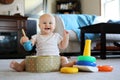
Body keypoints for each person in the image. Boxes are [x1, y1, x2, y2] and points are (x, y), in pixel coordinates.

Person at [10, 13, 76, 72]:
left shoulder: (56, 36)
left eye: (50, 23)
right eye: (44, 23)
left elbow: (63, 46)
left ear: (54, 26)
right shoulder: (36, 36)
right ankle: (21, 66)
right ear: (39, 26)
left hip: (55, 58)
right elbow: (29, 46)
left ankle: (65, 65)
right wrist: (24, 41)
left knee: (63, 58)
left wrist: (66, 37)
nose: (47, 25)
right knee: (27, 59)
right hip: (40, 59)